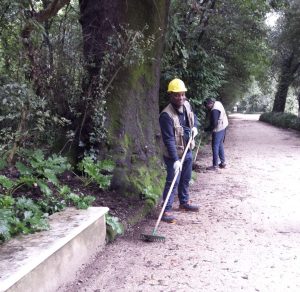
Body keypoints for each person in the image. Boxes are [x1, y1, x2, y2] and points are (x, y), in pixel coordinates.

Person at [159, 78, 199, 223]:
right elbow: (169, 139)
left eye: (182, 94)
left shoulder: (187, 104)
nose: (180, 97)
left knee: (186, 178)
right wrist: (175, 160)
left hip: (188, 148)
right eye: (177, 95)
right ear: (171, 95)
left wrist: (195, 127)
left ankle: (184, 202)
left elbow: (194, 117)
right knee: (173, 181)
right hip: (173, 155)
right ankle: (166, 210)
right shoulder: (166, 115)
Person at [203, 98, 228, 170]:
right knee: (219, 144)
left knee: (215, 146)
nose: (207, 108)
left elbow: (214, 124)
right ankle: (223, 163)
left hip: (219, 128)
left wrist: (205, 130)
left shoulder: (214, 111)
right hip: (224, 125)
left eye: (207, 106)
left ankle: (215, 166)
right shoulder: (217, 103)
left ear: (210, 104)